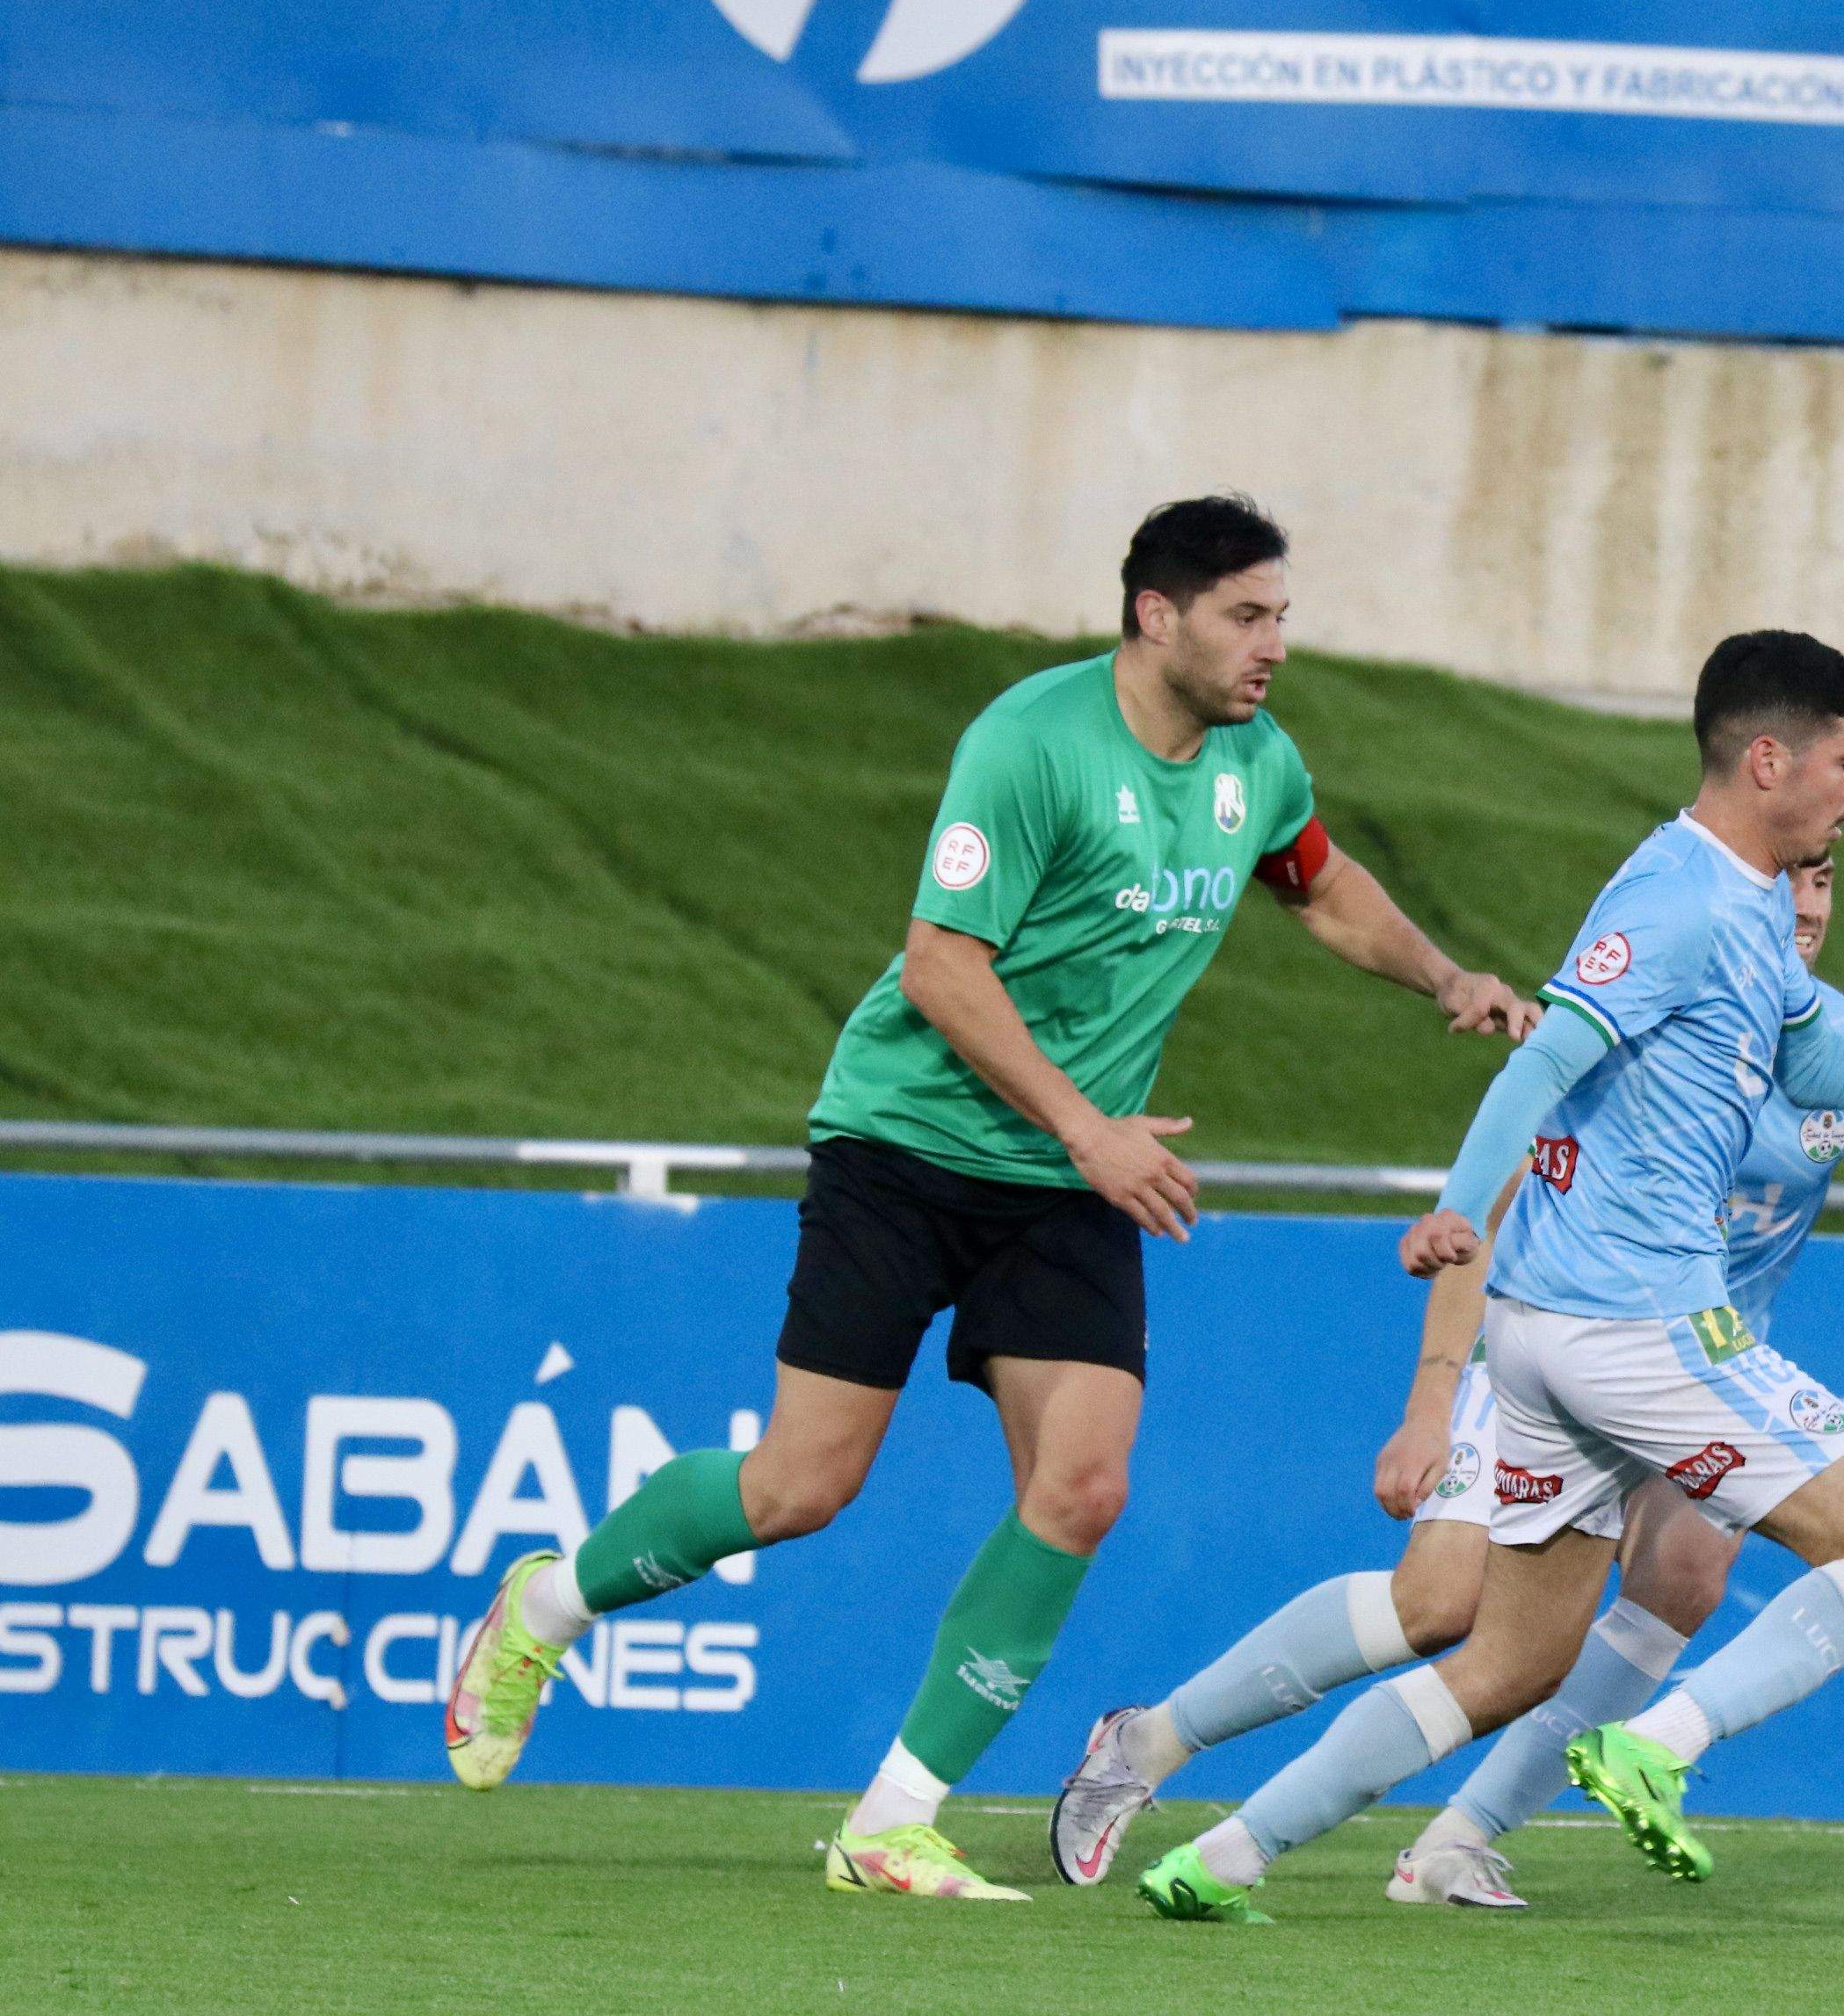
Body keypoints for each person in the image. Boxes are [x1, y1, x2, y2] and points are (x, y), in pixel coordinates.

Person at [439, 495, 1538, 1902]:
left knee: (1082, 1489)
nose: (1274, 648)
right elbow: (939, 968)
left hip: (1072, 1174)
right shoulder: (1031, 743)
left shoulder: (1255, 761)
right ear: (1159, 615)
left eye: (1283, 619)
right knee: (798, 1488)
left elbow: (1317, 886)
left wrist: (1444, 977)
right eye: (1247, 617)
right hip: (909, 1145)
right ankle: (545, 1604)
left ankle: (890, 1822)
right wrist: (1088, 1132)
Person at [1136, 627, 1844, 1923]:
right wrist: (1458, 1207)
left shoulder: (1738, 906)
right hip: (1641, 1328)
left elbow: (1831, 1070)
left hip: (1550, 1339)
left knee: (1508, 1658)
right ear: (1770, 757)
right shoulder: (1677, 896)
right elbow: (1543, 1057)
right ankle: (1656, 1747)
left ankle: (1225, 1854)